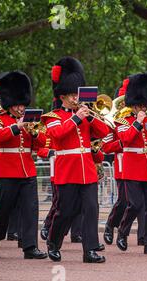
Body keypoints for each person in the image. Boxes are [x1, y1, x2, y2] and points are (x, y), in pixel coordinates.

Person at [42, 56, 108, 263]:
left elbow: (103, 131)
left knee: (90, 209)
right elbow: (58, 134)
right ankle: (53, 242)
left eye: (75, 94)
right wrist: (77, 117)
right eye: (71, 95)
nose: (74, 98)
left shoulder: (85, 114)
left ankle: (89, 251)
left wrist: (90, 117)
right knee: (65, 211)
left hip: (87, 170)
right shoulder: (52, 117)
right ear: (62, 96)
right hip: (66, 170)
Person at [0, 71, 47, 259]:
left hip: (27, 170)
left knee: (30, 209)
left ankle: (30, 247)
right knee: (3, 209)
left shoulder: (31, 120)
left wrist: (34, 133)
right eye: (18, 105)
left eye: (23, 104)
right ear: (9, 104)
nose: (21, 108)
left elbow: (42, 143)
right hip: (7, 171)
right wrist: (16, 127)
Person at [114, 73, 147, 255]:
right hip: (132, 167)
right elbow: (125, 139)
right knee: (134, 204)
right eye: (140, 105)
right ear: (133, 105)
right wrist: (138, 123)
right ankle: (123, 231)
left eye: (145, 105)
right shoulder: (123, 121)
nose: (143, 108)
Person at [102, 83, 145, 246]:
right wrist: (123, 143)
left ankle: (143, 236)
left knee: (140, 201)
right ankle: (111, 225)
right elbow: (106, 146)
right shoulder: (112, 122)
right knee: (123, 200)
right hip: (122, 163)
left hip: (138, 162)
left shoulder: (135, 119)